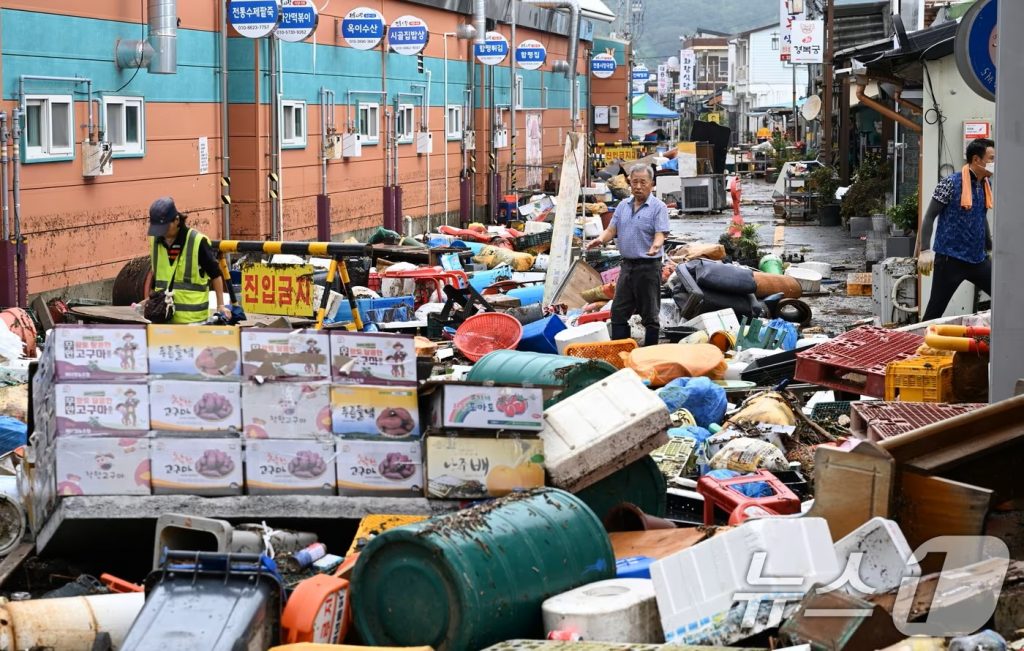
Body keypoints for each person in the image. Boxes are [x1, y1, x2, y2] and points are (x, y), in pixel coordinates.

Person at [587, 164, 671, 346]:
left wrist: (656, 246)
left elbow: (661, 233)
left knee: (650, 314)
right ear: (629, 184)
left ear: (652, 184)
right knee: (618, 312)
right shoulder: (622, 206)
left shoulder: (659, 207)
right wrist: (599, 240)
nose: (638, 186)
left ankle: (649, 353)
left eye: (643, 182)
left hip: (649, 268)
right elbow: (611, 230)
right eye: (635, 182)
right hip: (627, 266)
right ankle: (621, 350)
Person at [916, 138, 994, 321]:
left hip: (978, 259)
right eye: (991, 158)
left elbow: (980, 217)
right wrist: (925, 250)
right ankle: (921, 346)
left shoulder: (985, 185)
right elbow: (929, 217)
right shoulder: (949, 183)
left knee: (1006, 296)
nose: (994, 163)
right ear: (976, 160)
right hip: (950, 260)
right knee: (934, 312)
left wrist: (989, 246)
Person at [143, 197, 231, 324]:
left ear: (177, 220)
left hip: (193, 322)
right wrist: (148, 301)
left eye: (164, 229)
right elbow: (157, 279)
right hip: (162, 319)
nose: (162, 233)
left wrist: (220, 305)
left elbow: (216, 275)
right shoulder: (155, 242)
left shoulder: (197, 241)